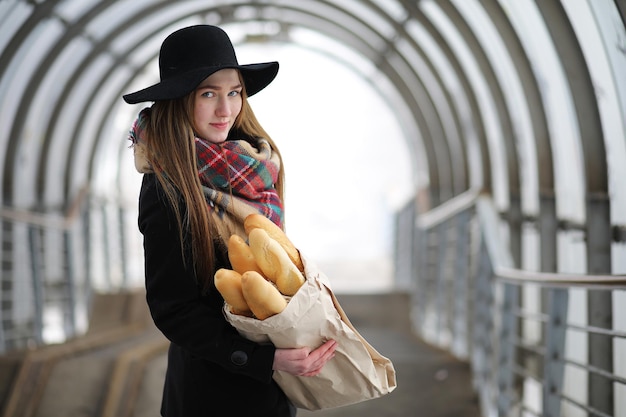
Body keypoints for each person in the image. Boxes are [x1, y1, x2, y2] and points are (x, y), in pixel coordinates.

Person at [122, 25, 337, 417]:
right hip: (213, 393)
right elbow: (174, 309)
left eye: (234, 92)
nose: (226, 109)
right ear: (179, 101)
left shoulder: (251, 168)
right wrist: (261, 360)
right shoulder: (167, 187)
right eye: (208, 94)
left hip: (270, 389)